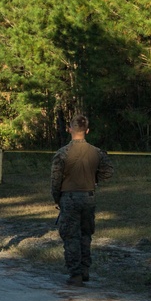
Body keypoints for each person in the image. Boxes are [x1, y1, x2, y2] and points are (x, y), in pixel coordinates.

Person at [51, 114, 115, 286]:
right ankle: (85, 269)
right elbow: (108, 171)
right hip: (89, 196)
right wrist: (94, 178)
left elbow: (55, 179)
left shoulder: (62, 153)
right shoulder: (96, 152)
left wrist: (56, 198)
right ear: (87, 130)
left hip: (69, 197)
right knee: (86, 234)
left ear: (69, 129)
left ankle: (75, 273)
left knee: (71, 236)